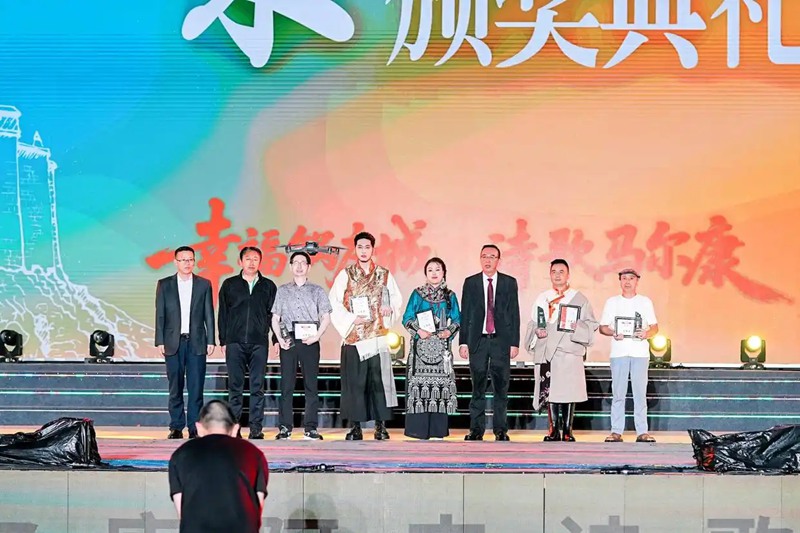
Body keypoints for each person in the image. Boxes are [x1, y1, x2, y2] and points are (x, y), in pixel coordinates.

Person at [329, 231, 402, 440]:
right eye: (360, 247)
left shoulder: (384, 274)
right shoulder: (346, 274)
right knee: (355, 384)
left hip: (377, 336)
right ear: (355, 249)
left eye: (367, 247)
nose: (363, 251)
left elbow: (396, 300)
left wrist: (388, 310)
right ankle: (355, 427)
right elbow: (333, 302)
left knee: (379, 384)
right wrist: (351, 319)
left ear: (373, 249)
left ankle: (381, 426)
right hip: (354, 338)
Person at [168, 400, 269, 533]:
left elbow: (182, 511)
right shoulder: (253, 453)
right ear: (235, 429)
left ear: (199, 428)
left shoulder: (180, 455)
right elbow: (257, 510)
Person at [527, 259, 598, 442]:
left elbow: (591, 324)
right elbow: (533, 323)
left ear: (568, 275)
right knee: (549, 391)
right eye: (554, 272)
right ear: (550, 275)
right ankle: (552, 430)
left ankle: (567, 430)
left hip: (569, 351)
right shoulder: (542, 298)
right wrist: (537, 331)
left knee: (569, 391)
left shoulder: (579, 298)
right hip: (547, 352)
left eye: (561, 272)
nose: (557, 275)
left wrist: (576, 326)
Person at [459, 244, 520, 442]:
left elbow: (514, 314)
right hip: (478, 341)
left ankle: (500, 430)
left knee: (501, 388)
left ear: (498, 260)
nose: (488, 260)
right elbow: (465, 313)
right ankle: (476, 430)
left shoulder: (509, 283)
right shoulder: (471, 282)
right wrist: (463, 342)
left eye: (492, 257)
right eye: (484, 256)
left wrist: (514, 342)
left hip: (501, 342)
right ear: (480, 259)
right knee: (477, 387)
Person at [155, 245, 215, 439]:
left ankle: (194, 427)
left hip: (197, 342)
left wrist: (211, 339)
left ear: (194, 261)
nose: (187, 263)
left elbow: (209, 314)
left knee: (196, 388)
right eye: (183, 260)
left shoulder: (203, 284)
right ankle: (176, 426)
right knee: (175, 387)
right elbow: (160, 314)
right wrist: (160, 340)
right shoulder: (165, 284)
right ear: (176, 262)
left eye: (190, 260)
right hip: (173, 342)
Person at [271, 251, 332, 440]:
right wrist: (279, 339)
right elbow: (275, 318)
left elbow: (326, 317)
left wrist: (317, 336)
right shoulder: (282, 290)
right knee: (286, 386)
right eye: (295, 262)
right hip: (289, 340)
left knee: (311, 386)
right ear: (290, 267)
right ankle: (285, 428)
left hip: (310, 340)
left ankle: (310, 428)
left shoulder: (317, 290)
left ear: (309, 267)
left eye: (303, 263)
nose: (299, 266)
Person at [218, 246, 278, 439]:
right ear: (240, 262)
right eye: (248, 259)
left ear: (260, 262)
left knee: (257, 387)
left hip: (259, 343)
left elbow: (274, 316)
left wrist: (275, 339)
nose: (252, 263)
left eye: (255, 259)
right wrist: (223, 340)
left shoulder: (268, 286)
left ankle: (256, 429)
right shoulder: (230, 284)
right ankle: (234, 429)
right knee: (235, 388)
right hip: (234, 342)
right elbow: (223, 314)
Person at [402, 257, 461, 440]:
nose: (434, 273)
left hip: (441, 350)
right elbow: (407, 318)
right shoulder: (417, 294)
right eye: (430, 270)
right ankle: (418, 430)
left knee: (439, 389)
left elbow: (457, 320)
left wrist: (449, 332)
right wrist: (418, 331)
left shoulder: (450, 296)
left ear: (444, 273)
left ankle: (437, 430)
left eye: (438, 269)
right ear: (425, 274)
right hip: (421, 349)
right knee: (419, 388)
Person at [599, 268, 659, 443]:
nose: (627, 282)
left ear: (637, 281)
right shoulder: (612, 302)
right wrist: (613, 332)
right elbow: (603, 327)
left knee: (640, 393)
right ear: (620, 281)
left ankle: (642, 431)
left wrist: (646, 334)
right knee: (618, 393)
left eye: (631, 278)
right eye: (624, 278)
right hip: (619, 352)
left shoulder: (645, 302)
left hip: (640, 353)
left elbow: (655, 327)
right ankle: (616, 431)